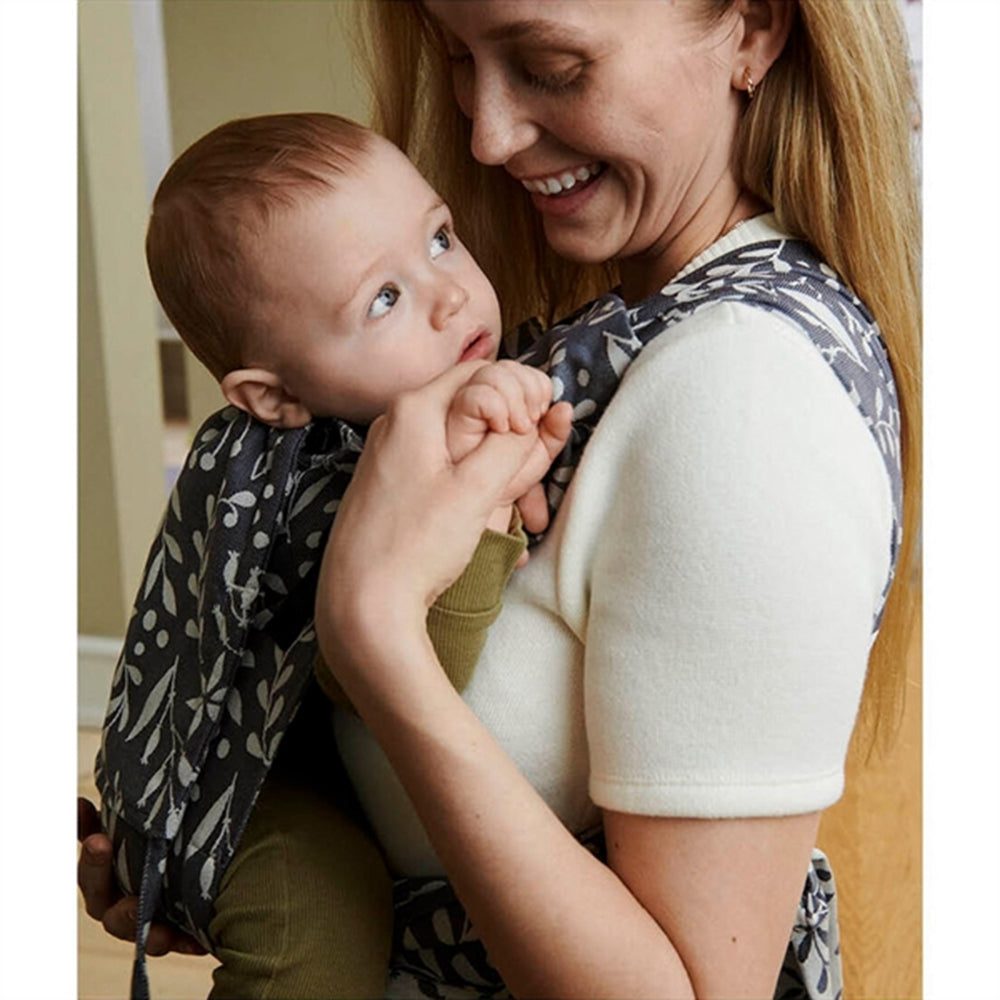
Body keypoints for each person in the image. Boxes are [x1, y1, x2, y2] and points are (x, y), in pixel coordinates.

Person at [83, 1, 922, 997]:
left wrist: (373, 629)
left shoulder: (740, 392)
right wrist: (206, 845)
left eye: (550, 63)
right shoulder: (589, 329)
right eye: (455, 55)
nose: (484, 135)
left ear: (752, 28)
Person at [81, 111, 572, 999]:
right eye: (383, 299)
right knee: (317, 924)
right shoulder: (309, 488)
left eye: (439, 238)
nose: (450, 296)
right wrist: (488, 511)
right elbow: (391, 676)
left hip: (305, 758)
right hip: (238, 787)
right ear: (274, 398)